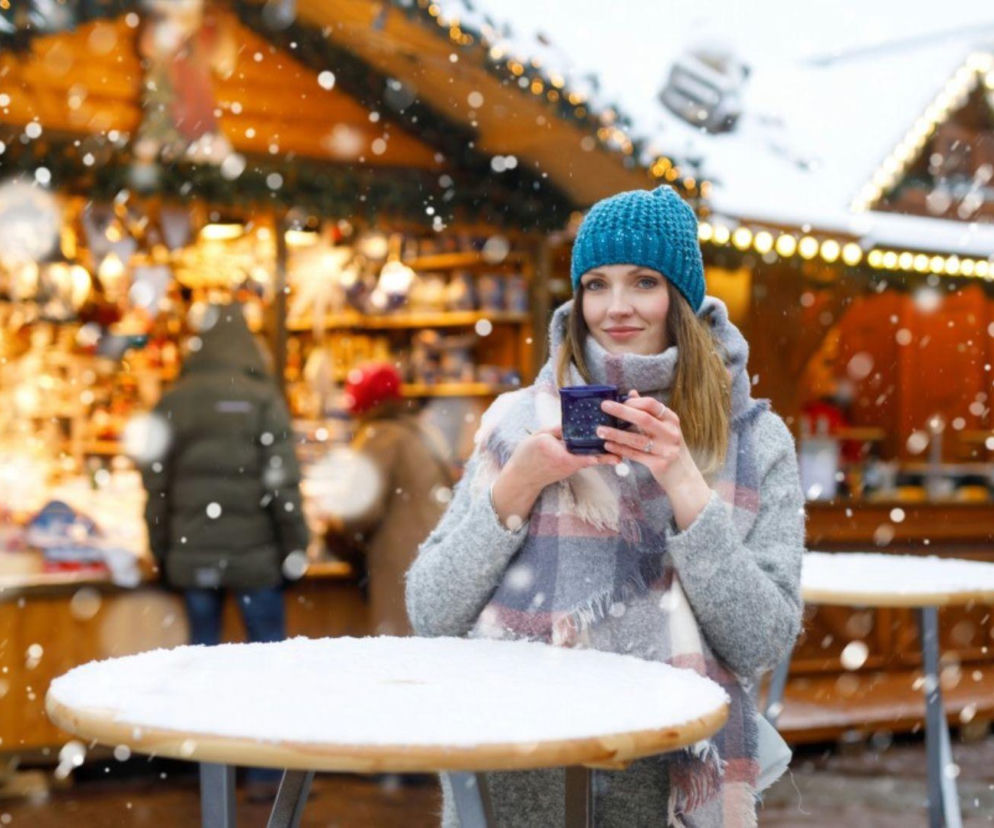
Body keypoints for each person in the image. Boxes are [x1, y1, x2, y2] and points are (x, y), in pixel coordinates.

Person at [406, 186, 805, 826]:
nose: (615, 308)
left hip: (669, 774)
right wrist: (519, 483)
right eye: (596, 284)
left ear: (682, 296)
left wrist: (682, 480)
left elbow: (759, 640)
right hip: (517, 759)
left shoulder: (753, 442)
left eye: (643, 281)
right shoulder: (518, 422)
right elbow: (431, 609)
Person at [139, 300, 309, 796]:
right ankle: (266, 772)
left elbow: (155, 485)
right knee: (266, 662)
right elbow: (284, 484)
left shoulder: (175, 400)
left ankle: (206, 768)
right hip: (256, 555)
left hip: (193, 554)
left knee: (201, 663)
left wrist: (161, 548)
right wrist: (294, 545)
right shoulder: (261, 398)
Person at [325, 361, 452, 636]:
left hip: (401, 564)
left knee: (399, 654)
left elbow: (358, 513)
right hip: (434, 556)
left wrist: (333, 526)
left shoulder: (379, 436)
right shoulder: (421, 430)